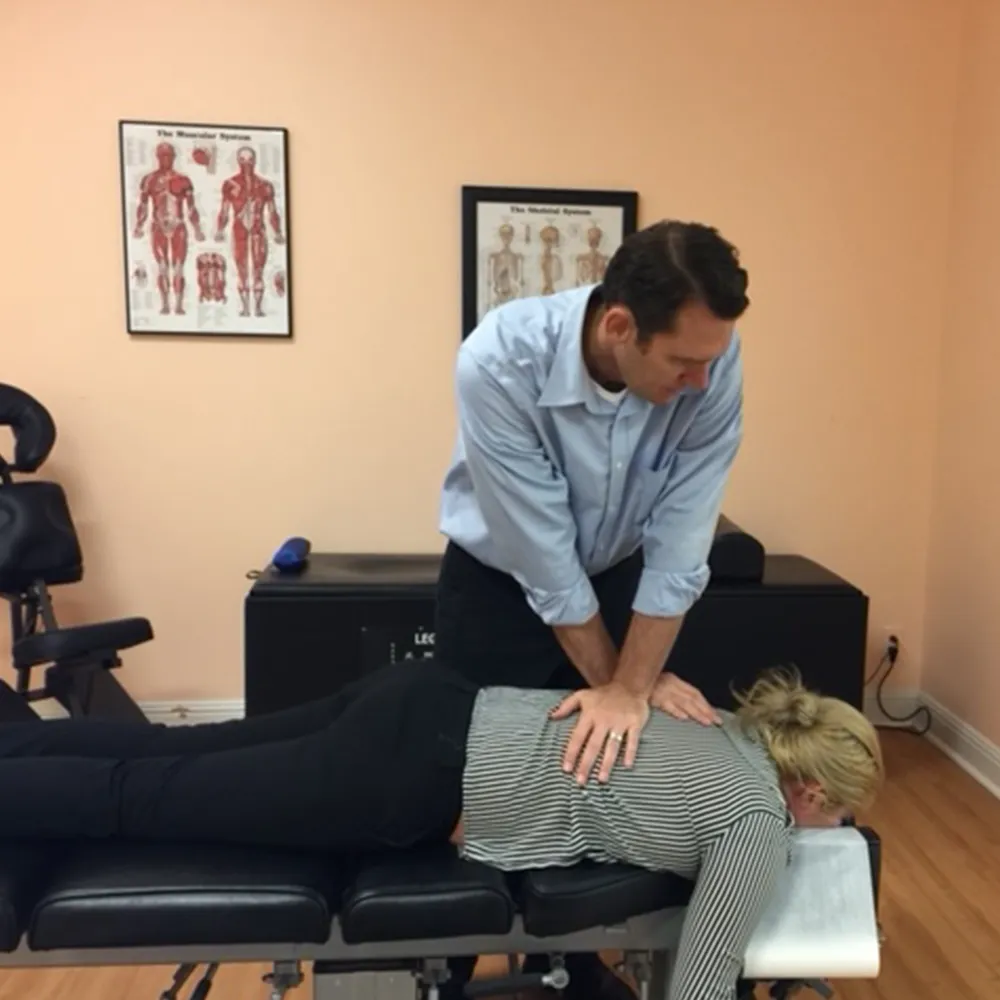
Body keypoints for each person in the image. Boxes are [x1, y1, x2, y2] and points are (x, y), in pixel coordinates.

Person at [0, 661, 882, 1000]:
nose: (837, 827)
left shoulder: (708, 713)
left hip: (426, 699)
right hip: (404, 781)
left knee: (173, 751)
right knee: (148, 802)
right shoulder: (757, 818)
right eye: (842, 811)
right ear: (807, 789)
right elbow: (699, 986)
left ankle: (18, 740)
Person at [436, 218, 751, 998]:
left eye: (710, 361)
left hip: (618, 572)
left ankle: (576, 960)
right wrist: (623, 686)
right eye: (682, 363)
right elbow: (544, 561)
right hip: (498, 583)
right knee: (473, 787)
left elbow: (682, 540)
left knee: (607, 767)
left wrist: (633, 690)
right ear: (619, 326)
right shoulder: (498, 362)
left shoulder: (712, 355)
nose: (701, 382)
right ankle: (447, 964)